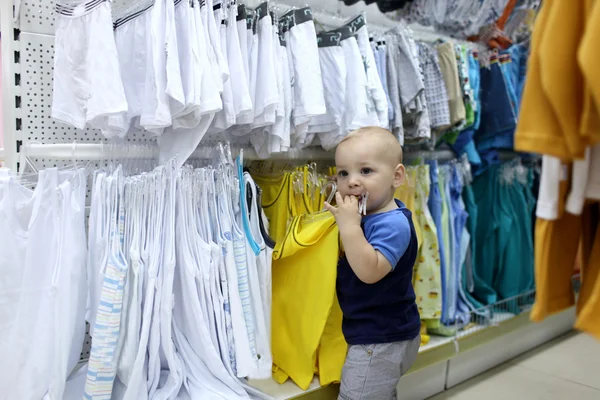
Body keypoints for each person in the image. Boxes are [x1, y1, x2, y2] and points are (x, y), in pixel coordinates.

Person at [324, 126, 421, 400]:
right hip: (379, 333)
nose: (352, 181)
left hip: (381, 340)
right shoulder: (369, 216)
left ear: (397, 176)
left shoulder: (393, 224)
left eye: (366, 171)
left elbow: (369, 271)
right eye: (344, 173)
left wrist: (349, 227)